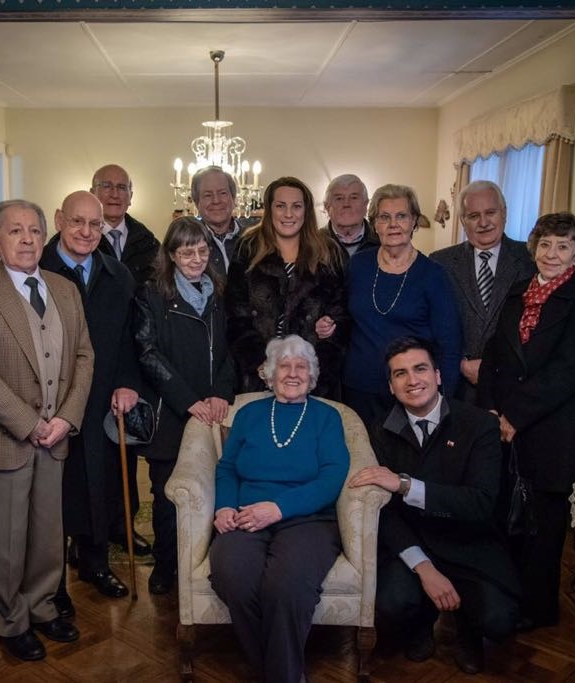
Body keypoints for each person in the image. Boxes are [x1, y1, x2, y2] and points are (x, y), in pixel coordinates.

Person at [0, 199, 94, 662]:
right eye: (15, 231)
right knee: (7, 541)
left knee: (47, 535)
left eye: (34, 230)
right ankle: (11, 621)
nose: (28, 239)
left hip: (56, 436)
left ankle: (41, 605)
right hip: (8, 438)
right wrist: (30, 424)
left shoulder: (64, 288)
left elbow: (83, 357)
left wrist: (66, 419)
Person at [349, 337, 519, 675]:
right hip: (414, 541)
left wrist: (405, 485)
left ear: (439, 376)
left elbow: (481, 502)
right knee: (391, 603)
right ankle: (419, 623)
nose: (412, 380)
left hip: (468, 541)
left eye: (420, 369)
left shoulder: (479, 424)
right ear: (391, 386)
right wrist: (424, 568)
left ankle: (467, 627)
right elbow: (387, 512)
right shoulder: (380, 430)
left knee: (499, 621)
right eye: (401, 374)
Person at [478, 212, 575, 632]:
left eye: (563, 246)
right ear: (534, 248)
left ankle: (538, 610)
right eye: (546, 244)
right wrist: (491, 410)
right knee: (510, 519)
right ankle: (510, 598)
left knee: (544, 528)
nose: (552, 254)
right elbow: (495, 354)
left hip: (555, 431)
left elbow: (570, 368)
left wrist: (516, 414)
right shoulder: (521, 290)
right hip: (507, 426)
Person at [209, 335, 350, 683]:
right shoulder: (249, 414)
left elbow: (332, 478)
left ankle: (280, 676)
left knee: (287, 585)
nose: (292, 373)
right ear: (269, 375)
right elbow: (227, 468)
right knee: (233, 574)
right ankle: (280, 670)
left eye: (301, 366)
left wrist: (278, 508)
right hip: (246, 513)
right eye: (283, 366)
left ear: (312, 375)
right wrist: (224, 506)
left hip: (310, 519)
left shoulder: (327, 416)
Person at [41, 190, 146, 600]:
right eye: (77, 222)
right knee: (59, 489)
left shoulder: (118, 274)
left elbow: (129, 338)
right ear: (58, 220)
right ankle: (52, 582)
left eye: (95, 225)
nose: (86, 232)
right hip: (51, 400)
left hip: (103, 394)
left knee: (100, 483)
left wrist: (128, 381)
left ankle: (95, 563)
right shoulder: (37, 269)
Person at [132, 217, 236, 595]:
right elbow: (147, 352)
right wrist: (187, 400)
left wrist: (221, 392)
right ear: (172, 255)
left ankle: (205, 561)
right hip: (171, 411)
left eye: (202, 250)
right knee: (167, 496)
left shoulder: (218, 291)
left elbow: (228, 351)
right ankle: (166, 564)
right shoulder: (152, 295)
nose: (195, 258)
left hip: (213, 410)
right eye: (186, 251)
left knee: (210, 489)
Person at [343, 183, 462, 424]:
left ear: (414, 221)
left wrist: (442, 402)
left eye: (401, 216)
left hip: (412, 392)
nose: (393, 224)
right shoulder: (358, 265)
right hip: (358, 390)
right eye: (384, 217)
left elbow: (449, 345)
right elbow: (343, 318)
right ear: (374, 223)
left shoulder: (434, 274)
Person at [226, 176, 349, 399]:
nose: (289, 214)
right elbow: (235, 316)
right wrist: (261, 366)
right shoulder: (248, 247)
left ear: (307, 210)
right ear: (269, 209)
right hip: (256, 378)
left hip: (315, 381)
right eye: (281, 206)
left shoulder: (329, 252)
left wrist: (332, 326)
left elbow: (342, 315)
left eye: (296, 206)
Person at [430, 181, 535, 402]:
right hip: (457, 389)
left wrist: (495, 366)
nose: (483, 222)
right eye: (473, 215)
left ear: (504, 214)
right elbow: (429, 324)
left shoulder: (531, 259)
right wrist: (460, 363)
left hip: (514, 389)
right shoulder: (440, 262)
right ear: (462, 221)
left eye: (490, 212)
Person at [92, 164, 160, 285]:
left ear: (130, 197)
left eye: (122, 187)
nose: (115, 194)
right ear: (92, 193)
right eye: (107, 186)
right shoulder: (80, 240)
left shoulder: (148, 242)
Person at [191, 165, 246, 275]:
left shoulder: (253, 240)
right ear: (197, 203)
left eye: (223, 193)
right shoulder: (187, 244)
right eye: (207, 195)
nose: (216, 201)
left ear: (233, 198)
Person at [320, 174, 379, 258]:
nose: (346, 204)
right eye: (339, 198)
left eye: (354, 198)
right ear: (327, 206)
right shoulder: (312, 243)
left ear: (365, 205)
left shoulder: (382, 240)